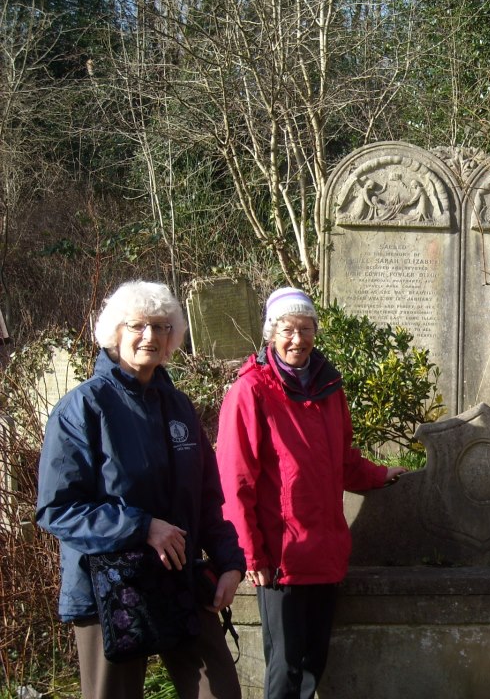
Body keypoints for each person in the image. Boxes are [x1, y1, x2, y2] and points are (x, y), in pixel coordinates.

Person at [36, 281, 245, 699]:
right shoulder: (82, 409)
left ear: (173, 337)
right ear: (116, 331)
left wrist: (229, 562)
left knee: (220, 691)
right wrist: (143, 527)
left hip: (180, 580)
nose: (150, 336)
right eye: (139, 326)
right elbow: (57, 509)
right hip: (107, 589)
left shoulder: (179, 406)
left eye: (162, 327)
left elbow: (205, 499)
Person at [216, 287, 408, 699]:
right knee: (284, 670)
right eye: (288, 329)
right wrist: (251, 554)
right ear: (271, 332)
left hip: (324, 549)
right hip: (280, 557)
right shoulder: (249, 392)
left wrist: (380, 475)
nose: (297, 339)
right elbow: (236, 481)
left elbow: (343, 462)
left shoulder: (328, 389)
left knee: (312, 665)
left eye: (306, 329)